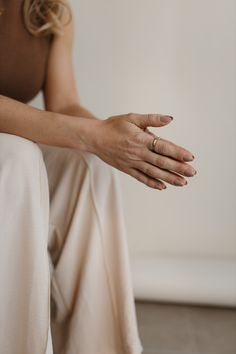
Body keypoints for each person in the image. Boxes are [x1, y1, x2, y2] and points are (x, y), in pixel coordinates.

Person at [0, 1, 197, 353]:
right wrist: (92, 135)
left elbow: (63, 103)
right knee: (18, 158)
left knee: (88, 166)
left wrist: (115, 138)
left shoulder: (49, 9)